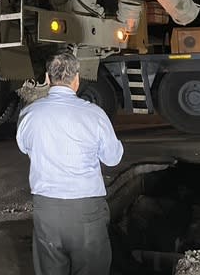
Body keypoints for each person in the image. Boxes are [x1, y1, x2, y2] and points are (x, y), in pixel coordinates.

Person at [16, 51, 124, 275]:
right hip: (86, 210)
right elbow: (113, 159)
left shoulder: (29, 114)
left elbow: (26, 148)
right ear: (76, 80)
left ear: (47, 78)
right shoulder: (94, 114)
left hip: (46, 211)